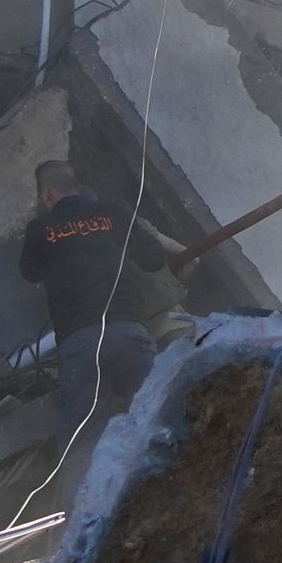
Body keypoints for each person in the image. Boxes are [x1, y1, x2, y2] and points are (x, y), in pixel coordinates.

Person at [19, 158, 164, 455]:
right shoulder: (111, 213)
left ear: (46, 195)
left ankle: (83, 500)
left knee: (82, 445)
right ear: (77, 187)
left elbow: (29, 272)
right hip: (128, 331)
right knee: (163, 412)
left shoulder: (40, 228)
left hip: (80, 344)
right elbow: (155, 259)